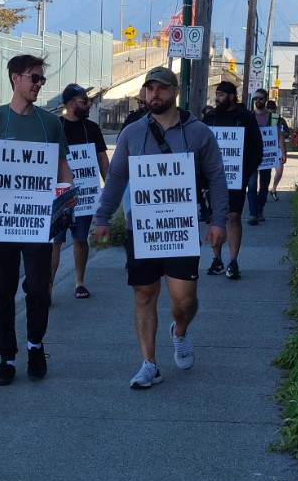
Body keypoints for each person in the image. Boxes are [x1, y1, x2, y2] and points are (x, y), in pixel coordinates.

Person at [94, 65, 228, 390]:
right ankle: (149, 364)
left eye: (161, 88)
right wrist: (101, 218)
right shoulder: (131, 133)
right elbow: (116, 178)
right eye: (149, 88)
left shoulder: (198, 133)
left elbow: (216, 178)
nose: (154, 94)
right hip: (140, 229)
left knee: (183, 299)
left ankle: (179, 332)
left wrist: (219, 221)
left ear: (175, 91)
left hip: (179, 230)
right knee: (144, 295)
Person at [0, 54, 74, 386]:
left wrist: (68, 192)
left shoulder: (49, 123)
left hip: (38, 220)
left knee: (39, 287)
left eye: (41, 80)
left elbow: (62, 166)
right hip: (5, 221)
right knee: (3, 292)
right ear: (15, 78)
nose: (39, 84)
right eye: (34, 78)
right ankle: (6, 358)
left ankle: (35, 345)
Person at [51, 83, 109, 299]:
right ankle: (48, 287)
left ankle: (79, 282)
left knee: (81, 239)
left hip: (85, 196)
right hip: (59, 195)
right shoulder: (56, 126)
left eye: (88, 100)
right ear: (69, 103)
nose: (88, 104)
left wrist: (110, 188)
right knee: (55, 240)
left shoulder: (91, 129)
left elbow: (102, 159)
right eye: (84, 101)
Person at [203, 81, 263, 279]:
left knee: (234, 216)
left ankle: (233, 260)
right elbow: (201, 145)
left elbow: (257, 147)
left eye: (221, 94)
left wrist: (246, 171)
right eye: (217, 94)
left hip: (237, 177)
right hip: (214, 177)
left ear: (231, 96)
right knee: (216, 216)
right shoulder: (210, 117)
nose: (217, 98)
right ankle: (216, 259)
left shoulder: (245, 117)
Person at [247, 88, 287, 224]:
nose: (258, 101)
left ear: (265, 99)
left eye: (260, 98)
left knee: (264, 186)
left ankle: (259, 210)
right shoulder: (248, 116)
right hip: (252, 156)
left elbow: (280, 136)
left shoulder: (274, 118)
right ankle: (253, 214)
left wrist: (283, 153)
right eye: (255, 99)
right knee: (251, 185)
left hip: (267, 157)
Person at [266, 99, 289, 200]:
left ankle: (273, 189)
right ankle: (263, 192)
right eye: (268, 108)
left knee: (279, 172)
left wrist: (284, 151)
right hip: (266, 148)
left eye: (272, 108)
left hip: (278, 148)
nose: (270, 110)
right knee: (265, 173)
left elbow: (286, 134)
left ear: (275, 108)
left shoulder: (280, 120)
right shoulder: (262, 119)